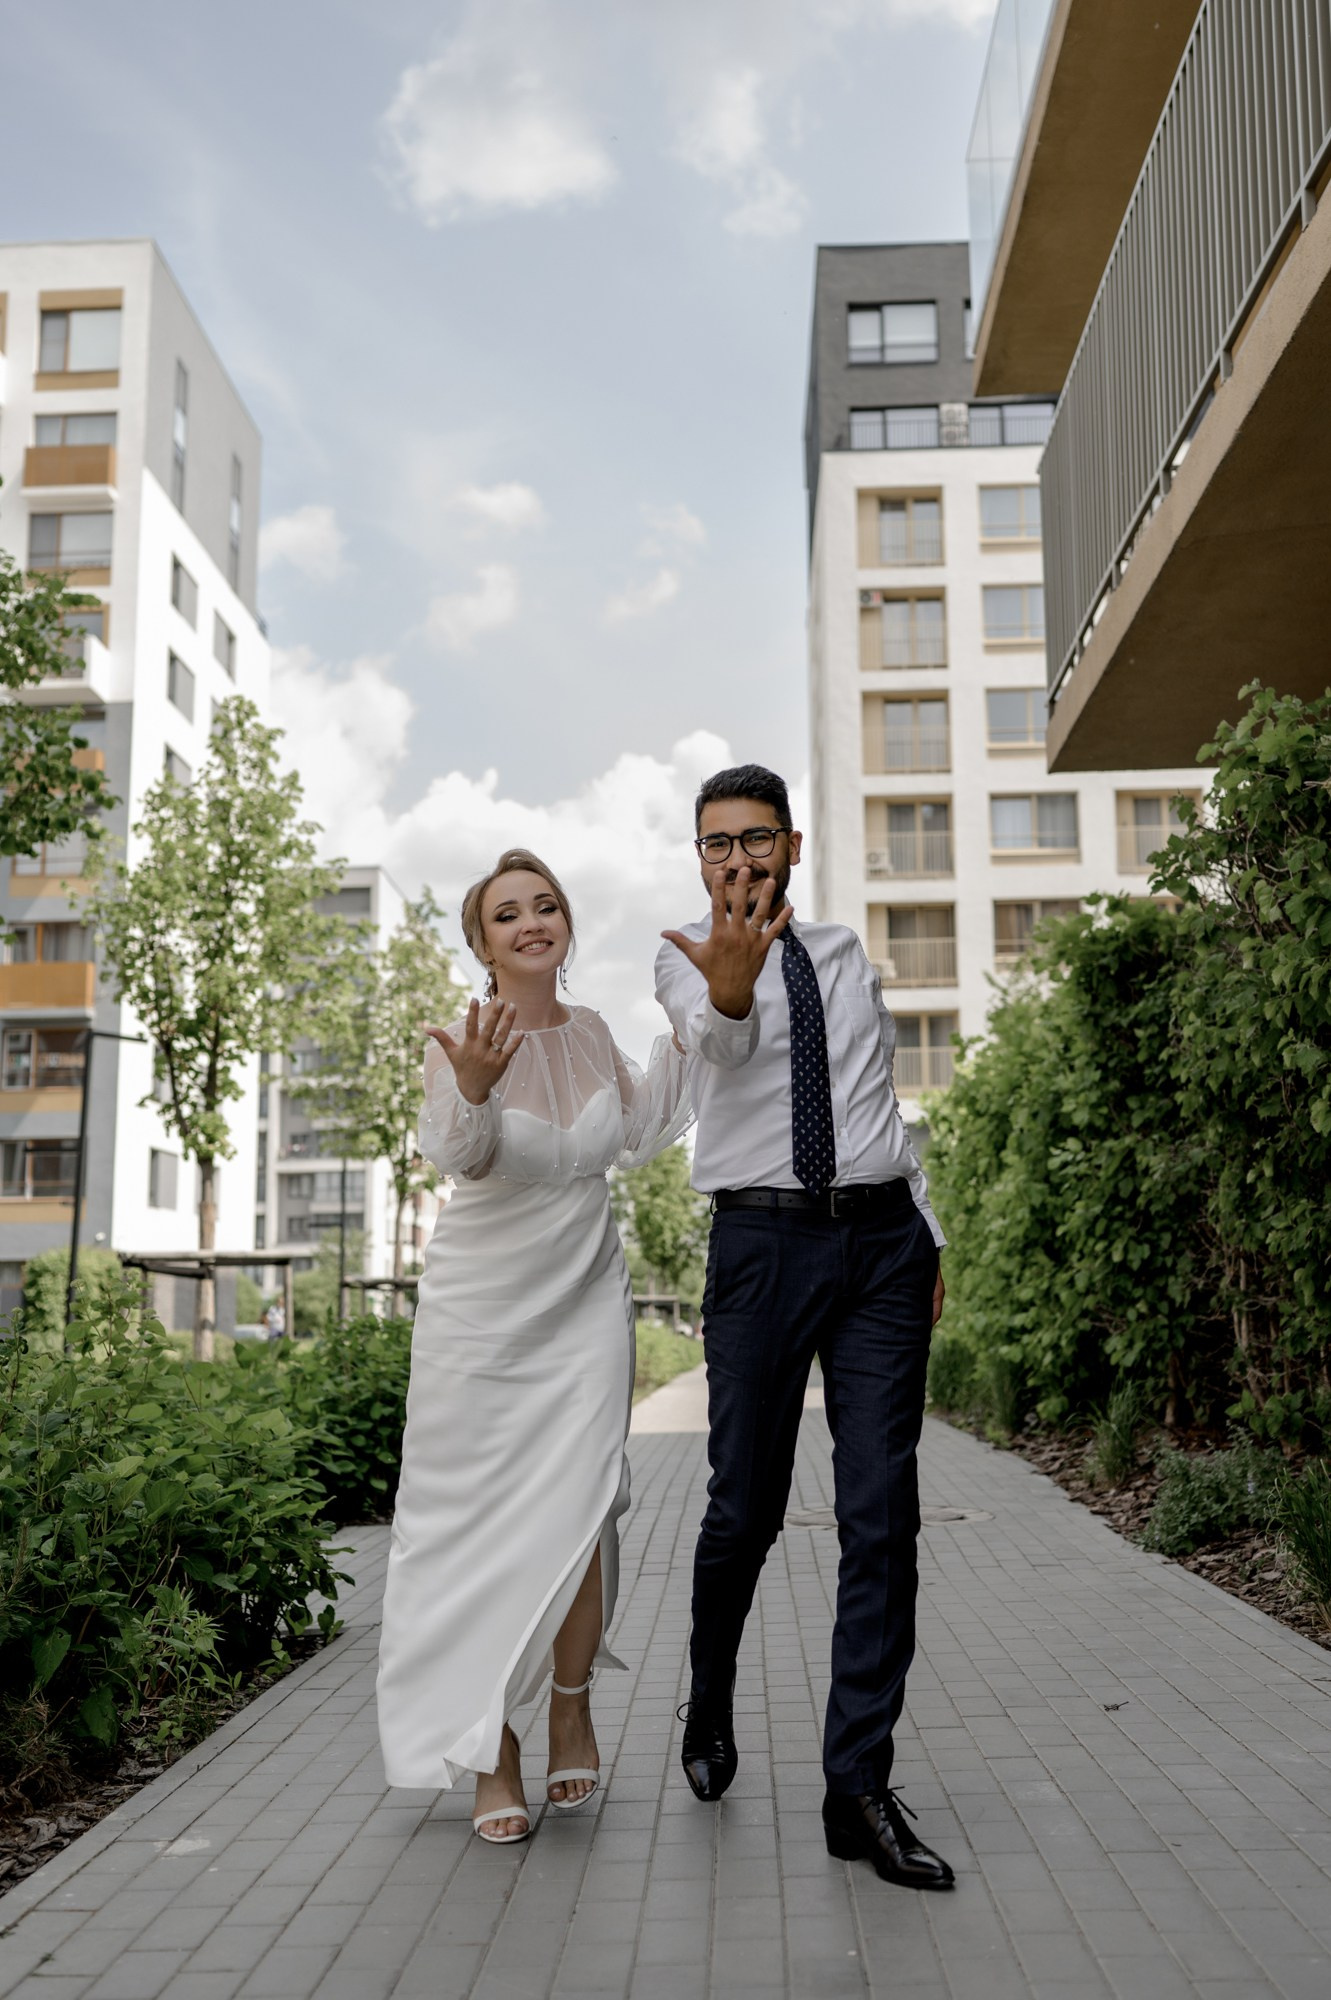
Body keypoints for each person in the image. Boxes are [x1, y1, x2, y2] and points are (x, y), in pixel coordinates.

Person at [655, 764, 954, 1892]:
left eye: (755, 838)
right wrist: (730, 992)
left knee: (882, 1517)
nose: (736, 858)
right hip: (762, 1247)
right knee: (745, 1507)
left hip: (881, 1245)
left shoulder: (841, 951)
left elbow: (879, 1099)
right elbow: (717, 1048)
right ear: (699, 856)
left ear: (789, 844)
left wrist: (924, 1230)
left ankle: (855, 1787)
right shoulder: (683, 958)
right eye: (715, 842)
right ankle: (710, 1690)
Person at [377, 848, 691, 1844]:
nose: (530, 922)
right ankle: (489, 1744)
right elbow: (459, 1154)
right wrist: (472, 1088)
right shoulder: (461, 1038)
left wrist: (702, 1019)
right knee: (469, 1530)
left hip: (583, 1300)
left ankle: (569, 1702)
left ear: (564, 924)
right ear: (482, 944)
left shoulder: (592, 1033)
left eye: (544, 905)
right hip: (479, 1315)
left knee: (583, 1507)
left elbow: (641, 1127)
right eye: (506, 913)